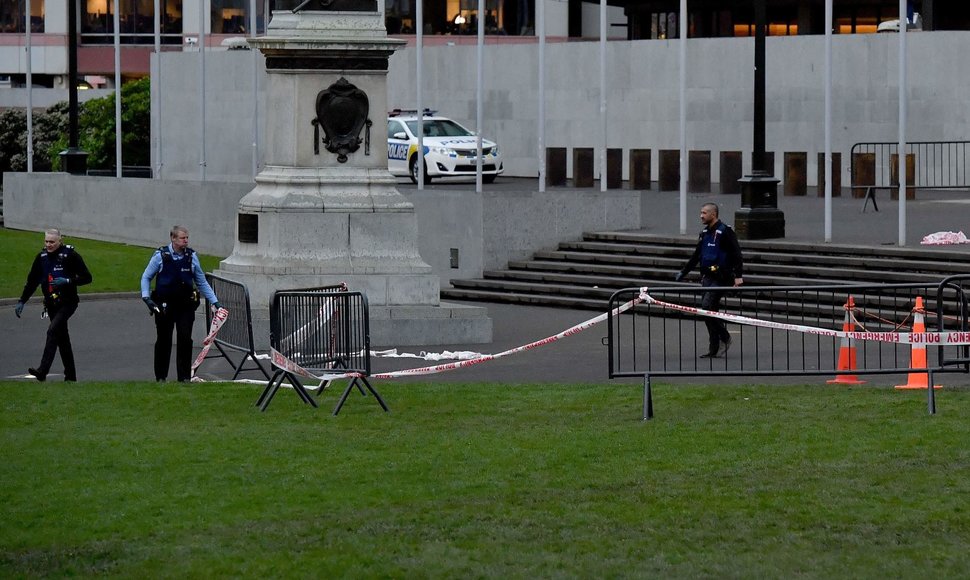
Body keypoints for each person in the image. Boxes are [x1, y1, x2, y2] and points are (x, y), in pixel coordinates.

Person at [140, 226, 221, 382]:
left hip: (185, 306)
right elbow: (146, 277)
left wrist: (215, 302)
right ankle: (161, 377)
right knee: (164, 340)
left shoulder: (191, 257)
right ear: (173, 238)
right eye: (183, 238)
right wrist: (146, 298)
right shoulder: (160, 256)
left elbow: (201, 281)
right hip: (164, 306)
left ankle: (184, 377)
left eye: (187, 238)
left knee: (185, 338)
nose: (186, 241)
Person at [15, 229, 93, 382]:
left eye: (52, 242)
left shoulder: (70, 256)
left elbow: (87, 277)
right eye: (46, 241)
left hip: (68, 302)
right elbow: (32, 281)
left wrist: (68, 281)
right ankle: (70, 377)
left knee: (52, 331)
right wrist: (22, 301)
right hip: (51, 304)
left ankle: (42, 371)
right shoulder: (41, 258)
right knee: (62, 339)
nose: (49, 245)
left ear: (60, 241)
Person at [675, 203, 744, 359]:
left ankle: (725, 338)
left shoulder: (725, 232)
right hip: (707, 278)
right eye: (701, 212)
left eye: (704, 213)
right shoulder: (705, 233)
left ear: (713, 214)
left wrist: (738, 276)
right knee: (708, 312)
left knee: (707, 307)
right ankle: (714, 348)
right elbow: (696, 256)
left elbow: (737, 254)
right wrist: (683, 272)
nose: (701, 216)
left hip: (721, 277)